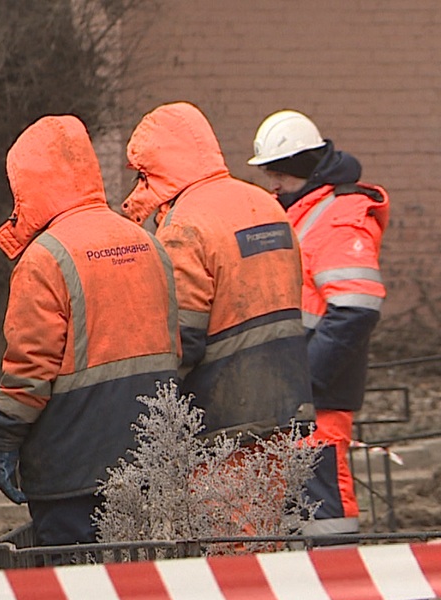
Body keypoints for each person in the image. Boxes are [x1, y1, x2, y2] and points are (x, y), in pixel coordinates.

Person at [0, 115, 180, 547]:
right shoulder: (148, 244)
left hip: (72, 467)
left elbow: (29, 370)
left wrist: (3, 437)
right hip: (151, 455)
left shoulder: (45, 257)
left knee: (78, 591)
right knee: (142, 585)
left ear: (28, 185)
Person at [122, 102, 313, 444]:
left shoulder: (183, 227)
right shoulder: (267, 205)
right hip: (289, 406)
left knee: (227, 501)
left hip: (225, 421)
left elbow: (182, 341)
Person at [248, 110, 389, 536]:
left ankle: (339, 597)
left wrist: (305, 382)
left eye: (279, 175)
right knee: (305, 506)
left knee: (323, 508)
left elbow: (356, 309)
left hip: (315, 395)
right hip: (303, 391)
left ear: (301, 169)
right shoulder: (311, 209)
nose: (273, 185)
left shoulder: (338, 213)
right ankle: (316, 596)